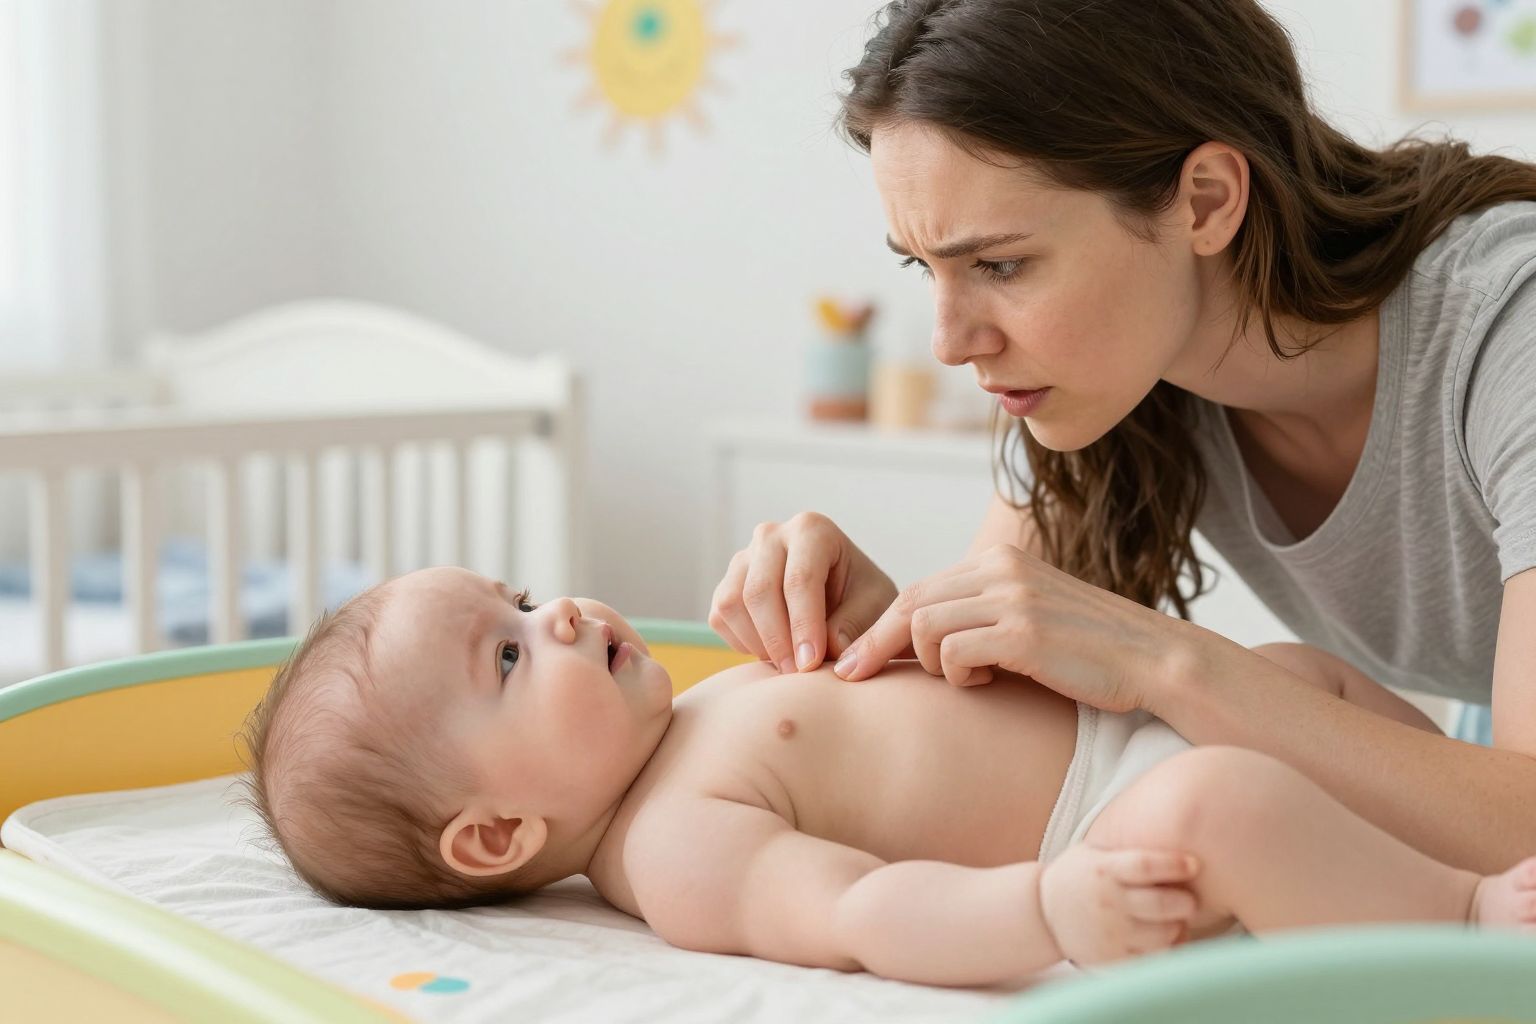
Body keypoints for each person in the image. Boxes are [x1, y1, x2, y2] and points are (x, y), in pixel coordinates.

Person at [710, 0, 1536, 877]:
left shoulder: (1508, 328)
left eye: (1000, 265)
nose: (950, 342)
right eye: (927, 267)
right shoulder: (1120, 374)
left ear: (1206, 202)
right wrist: (881, 633)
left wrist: (1165, 662)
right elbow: (1002, 739)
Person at [239, 567, 1536, 989]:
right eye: (511, 656)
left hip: (1131, 727)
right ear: (495, 834)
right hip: (1111, 827)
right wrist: (1051, 910)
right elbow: (860, 912)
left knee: (1296, 673)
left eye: (523, 599)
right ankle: (1472, 927)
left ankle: (1461, 838)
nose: (561, 617)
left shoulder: (694, 704)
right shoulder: (675, 851)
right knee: (1224, 813)